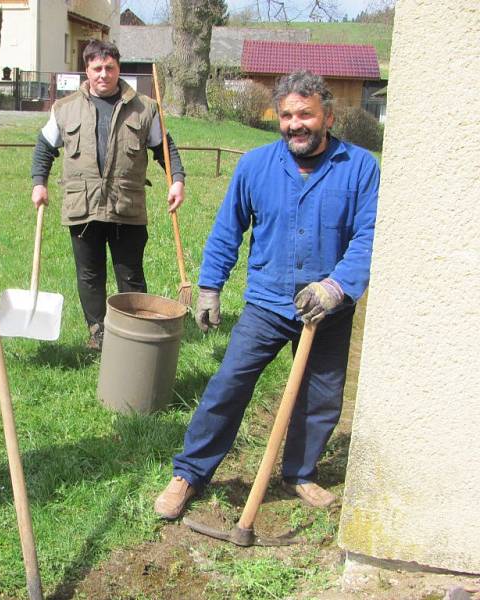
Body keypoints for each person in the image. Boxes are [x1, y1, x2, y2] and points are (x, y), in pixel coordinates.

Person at [154, 70, 380, 519]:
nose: (296, 124)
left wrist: (335, 287)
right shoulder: (255, 166)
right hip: (268, 303)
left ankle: (300, 473)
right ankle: (189, 473)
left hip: (328, 309)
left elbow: (370, 237)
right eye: (287, 115)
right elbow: (227, 230)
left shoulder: (360, 168)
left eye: (306, 114)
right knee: (228, 385)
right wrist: (210, 287)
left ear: (328, 116)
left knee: (320, 396)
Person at [30, 39, 186, 350]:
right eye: (96, 68)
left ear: (118, 69)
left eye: (110, 68)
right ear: (86, 70)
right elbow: (44, 148)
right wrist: (39, 182)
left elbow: (164, 149)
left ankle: (135, 328)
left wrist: (177, 180)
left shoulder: (144, 108)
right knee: (89, 274)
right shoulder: (65, 108)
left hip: (126, 205)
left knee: (130, 272)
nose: (104, 74)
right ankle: (98, 332)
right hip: (82, 205)